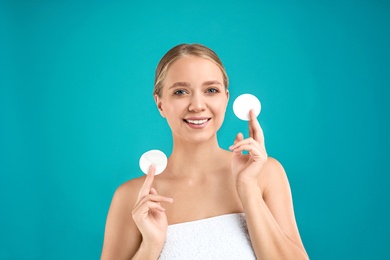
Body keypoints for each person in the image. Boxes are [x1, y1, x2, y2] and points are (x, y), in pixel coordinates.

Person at [101, 43, 309, 259]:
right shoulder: (134, 197)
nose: (197, 105)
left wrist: (248, 189)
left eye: (211, 90)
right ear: (160, 104)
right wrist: (150, 246)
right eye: (180, 92)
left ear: (226, 98)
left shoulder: (266, 174)